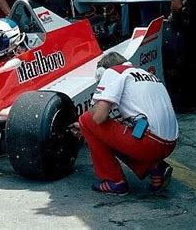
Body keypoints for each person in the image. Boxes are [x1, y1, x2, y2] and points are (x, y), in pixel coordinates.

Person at [74, 52, 178, 195]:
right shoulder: (147, 75)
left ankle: (114, 181)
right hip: (169, 143)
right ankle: (154, 168)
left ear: (102, 71)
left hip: (149, 143)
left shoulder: (113, 72)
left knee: (86, 119)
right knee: (120, 131)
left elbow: (98, 117)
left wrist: (88, 124)